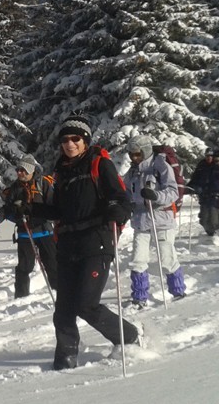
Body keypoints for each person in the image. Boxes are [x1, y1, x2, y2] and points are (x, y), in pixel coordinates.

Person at [27, 115, 142, 370]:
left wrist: (116, 209)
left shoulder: (100, 164)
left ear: (85, 140)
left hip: (96, 242)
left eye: (75, 139)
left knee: (86, 304)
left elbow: (121, 198)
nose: (69, 144)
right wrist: (32, 208)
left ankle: (130, 336)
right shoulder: (62, 171)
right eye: (65, 139)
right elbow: (59, 210)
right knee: (64, 307)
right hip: (67, 244)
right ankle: (66, 357)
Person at [123, 135, 185, 308]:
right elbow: (126, 191)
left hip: (161, 219)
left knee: (166, 259)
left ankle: (178, 291)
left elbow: (173, 191)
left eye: (137, 154)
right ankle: (139, 296)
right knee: (138, 259)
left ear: (145, 151)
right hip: (141, 221)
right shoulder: (133, 171)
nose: (134, 158)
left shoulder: (160, 165)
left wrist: (156, 196)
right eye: (131, 155)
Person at [0, 154, 58, 298]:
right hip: (25, 232)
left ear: (31, 171)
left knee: (52, 265)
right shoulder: (15, 188)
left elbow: (54, 207)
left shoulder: (43, 184)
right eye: (18, 169)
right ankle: (21, 297)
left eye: (23, 170)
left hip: (44, 231)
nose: (19, 172)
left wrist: (35, 211)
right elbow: (6, 209)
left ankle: (60, 293)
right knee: (24, 268)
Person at [187, 148, 215, 230]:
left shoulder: (217, 165)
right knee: (203, 219)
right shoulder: (202, 164)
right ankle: (210, 232)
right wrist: (190, 186)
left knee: (214, 217)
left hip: (215, 195)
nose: (209, 157)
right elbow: (195, 177)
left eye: (211, 156)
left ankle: (215, 233)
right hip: (204, 195)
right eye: (207, 156)